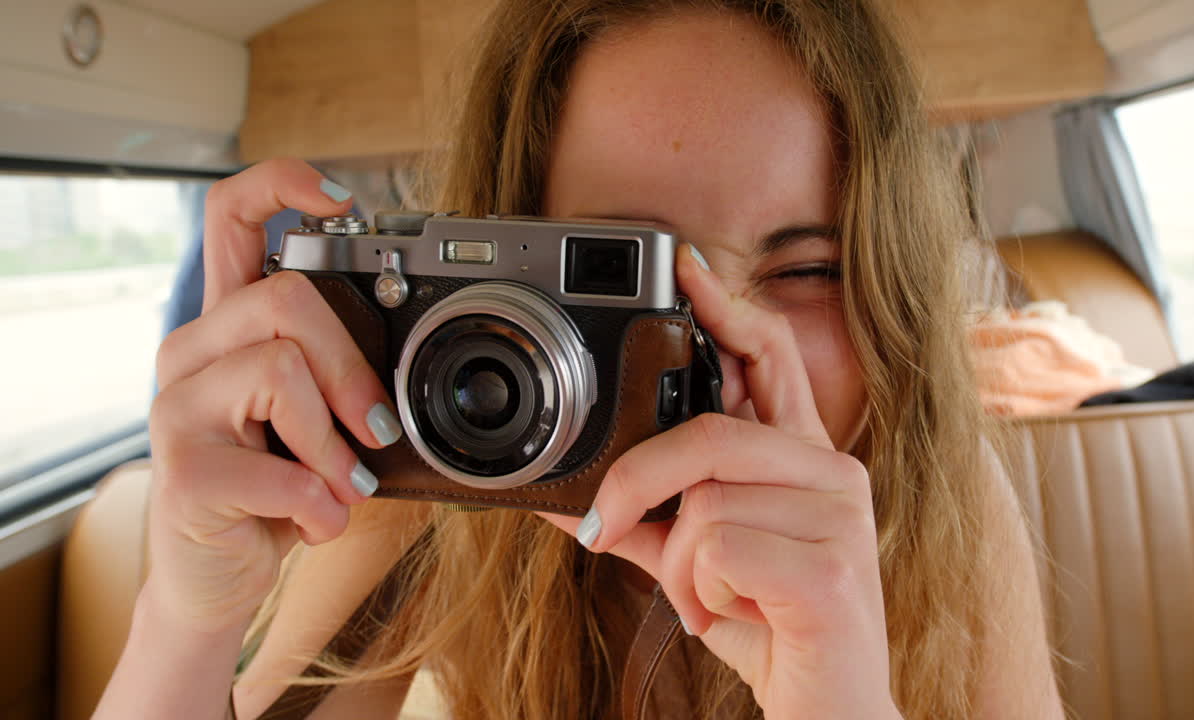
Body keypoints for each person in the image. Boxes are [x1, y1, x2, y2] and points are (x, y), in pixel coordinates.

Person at [95, 0, 1063, 718]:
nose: (718, 351)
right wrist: (184, 626)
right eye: (619, 274)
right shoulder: (420, 489)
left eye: (806, 268)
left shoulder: (938, 500)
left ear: (887, 297)